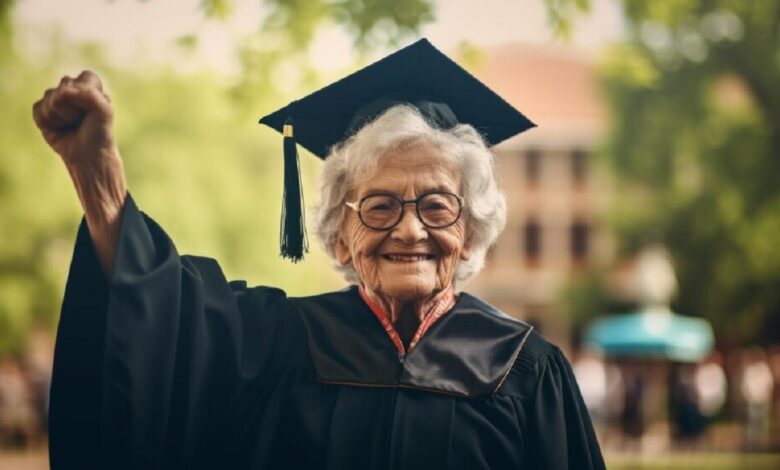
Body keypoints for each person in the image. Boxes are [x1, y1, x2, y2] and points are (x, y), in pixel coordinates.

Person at [33, 39, 605, 469]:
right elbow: (165, 316)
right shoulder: (279, 342)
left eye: (437, 207)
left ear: (471, 232)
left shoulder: (525, 371)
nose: (410, 230)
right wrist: (100, 182)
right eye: (379, 207)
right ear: (338, 235)